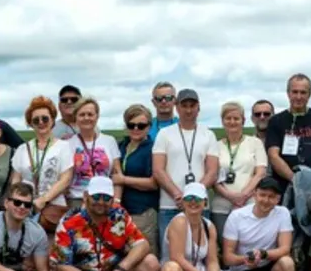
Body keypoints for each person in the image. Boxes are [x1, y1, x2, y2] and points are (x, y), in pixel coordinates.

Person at [51, 176, 160, 271]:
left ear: (112, 199)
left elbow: (142, 244)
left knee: (151, 263)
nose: (101, 202)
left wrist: (122, 269)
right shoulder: (69, 222)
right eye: (96, 196)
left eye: (106, 198)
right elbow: (63, 266)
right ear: (86, 196)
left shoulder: (119, 215)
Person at [222, 178, 297, 271]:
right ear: (254, 194)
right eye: (262, 195)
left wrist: (263, 254)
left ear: (278, 199)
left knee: (287, 262)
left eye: (271, 197)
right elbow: (227, 257)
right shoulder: (237, 216)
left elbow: (285, 248)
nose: (266, 200)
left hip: (267, 269)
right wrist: (245, 259)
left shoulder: (282, 213)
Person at [152, 88, 219, 242]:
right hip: (170, 205)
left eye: (192, 106)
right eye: (184, 106)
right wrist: (177, 195)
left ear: (198, 108)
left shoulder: (208, 135)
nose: (188, 110)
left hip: (200, 206)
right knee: (169, 252)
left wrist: (194, 195)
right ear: (177, 107)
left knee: (200, 249)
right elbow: (158, 169)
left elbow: (212, 171)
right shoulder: (164, 134)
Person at [10, 96, 74, 235]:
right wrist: (17, 202)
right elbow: (16, 180)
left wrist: (43, 200)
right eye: (36, 120)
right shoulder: (22, 149)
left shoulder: (63, 147)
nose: (41, 122)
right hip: (25, 207)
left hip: (53, 208)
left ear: (52, 120)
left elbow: (65, 179)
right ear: (30, 124)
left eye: (45, 118)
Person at [264, 73, 311, 193]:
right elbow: (273, 155)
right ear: (288, 93)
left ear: (309, 94)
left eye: (303, 92)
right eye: (295, 92)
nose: (298, 96)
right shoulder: (276, 121)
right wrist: (295, 180)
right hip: (284, 186)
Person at [211, 101, 267, 241]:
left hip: (249, 203)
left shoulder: (255, 143)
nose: (232, 122)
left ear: (243, 120)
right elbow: (212, 175)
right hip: (221, 204)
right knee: (225, 245)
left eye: (236, 118)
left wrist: (243, 195)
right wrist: (230, 196)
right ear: (222, 121)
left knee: (249, 242)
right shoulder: (215, 146)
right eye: (228, 118)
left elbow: (260, 172)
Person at [116, 104, 160, 253]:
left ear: (149, 126)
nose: (136, 129)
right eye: (131, 125)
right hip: (122, 212)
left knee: (145, 253)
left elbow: (154, 183)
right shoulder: (121, 146)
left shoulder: (153, 149)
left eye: (141, 125)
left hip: (143, 211)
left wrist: (123, 180)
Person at [66, 97, 123, 210]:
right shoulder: (67, 144)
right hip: (77, 201)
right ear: (75, 117)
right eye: (82, 115)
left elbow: (117, 175)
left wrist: (116, 201)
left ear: (97, 116)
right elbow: (65, 178)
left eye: (90, 114)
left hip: (105, 201)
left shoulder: (109, 141)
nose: (86, 118)